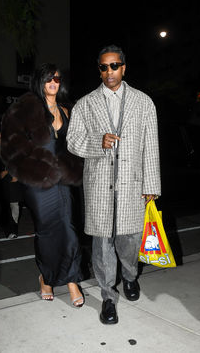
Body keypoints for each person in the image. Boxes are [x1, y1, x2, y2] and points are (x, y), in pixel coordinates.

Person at [66, 44, 161, 323]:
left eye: (114, 65)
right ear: (99, 70)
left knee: (129, 240)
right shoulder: (85, 103)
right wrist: (98, 142)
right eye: (104, 67)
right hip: (98, 186)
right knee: (102, 244)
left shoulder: (144, 102)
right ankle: (108, 297)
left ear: (124, 67)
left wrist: (151, 184)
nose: (109, 71)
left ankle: (130, 276)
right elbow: (72, 141)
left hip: (133, 184)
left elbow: (150, 146)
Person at [0, 63, 84, 307]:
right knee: (47, 232)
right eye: (48, 78)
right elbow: (10, 143)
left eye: (57, 78)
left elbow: (75, 146)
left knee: (69, 230)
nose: (53, 82)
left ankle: (71, 280)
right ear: (40, 81)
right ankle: (45, 278)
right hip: (38, 184)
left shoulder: (67, 110)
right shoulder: (27, 109)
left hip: (64, 181)